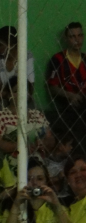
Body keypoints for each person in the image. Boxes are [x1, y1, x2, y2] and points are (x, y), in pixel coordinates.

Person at [0, 77, 55, 173]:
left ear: (29, 94)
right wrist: (21, 146)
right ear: (9, 95)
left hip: (39, 166)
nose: (21, 94)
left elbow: (51, 140)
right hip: (12, 168)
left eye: (24, 90)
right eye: (16, 91)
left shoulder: (38, 115)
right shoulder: (1, 117)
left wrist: (43, 143)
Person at [47, 22, 86, 151]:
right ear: (66, 39)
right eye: (72, 36)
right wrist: (70, 96)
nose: (77, 39)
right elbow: (52, 87)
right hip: (68, 106)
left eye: (80, 35)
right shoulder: (58, 59)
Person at [0, 26, 35, 98]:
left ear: (11, 46)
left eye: (0, 44)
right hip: (0, 99)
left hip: (22, 98)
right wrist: (15, 91)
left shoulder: (26, 56)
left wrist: (5, 93)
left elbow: (30, 87)